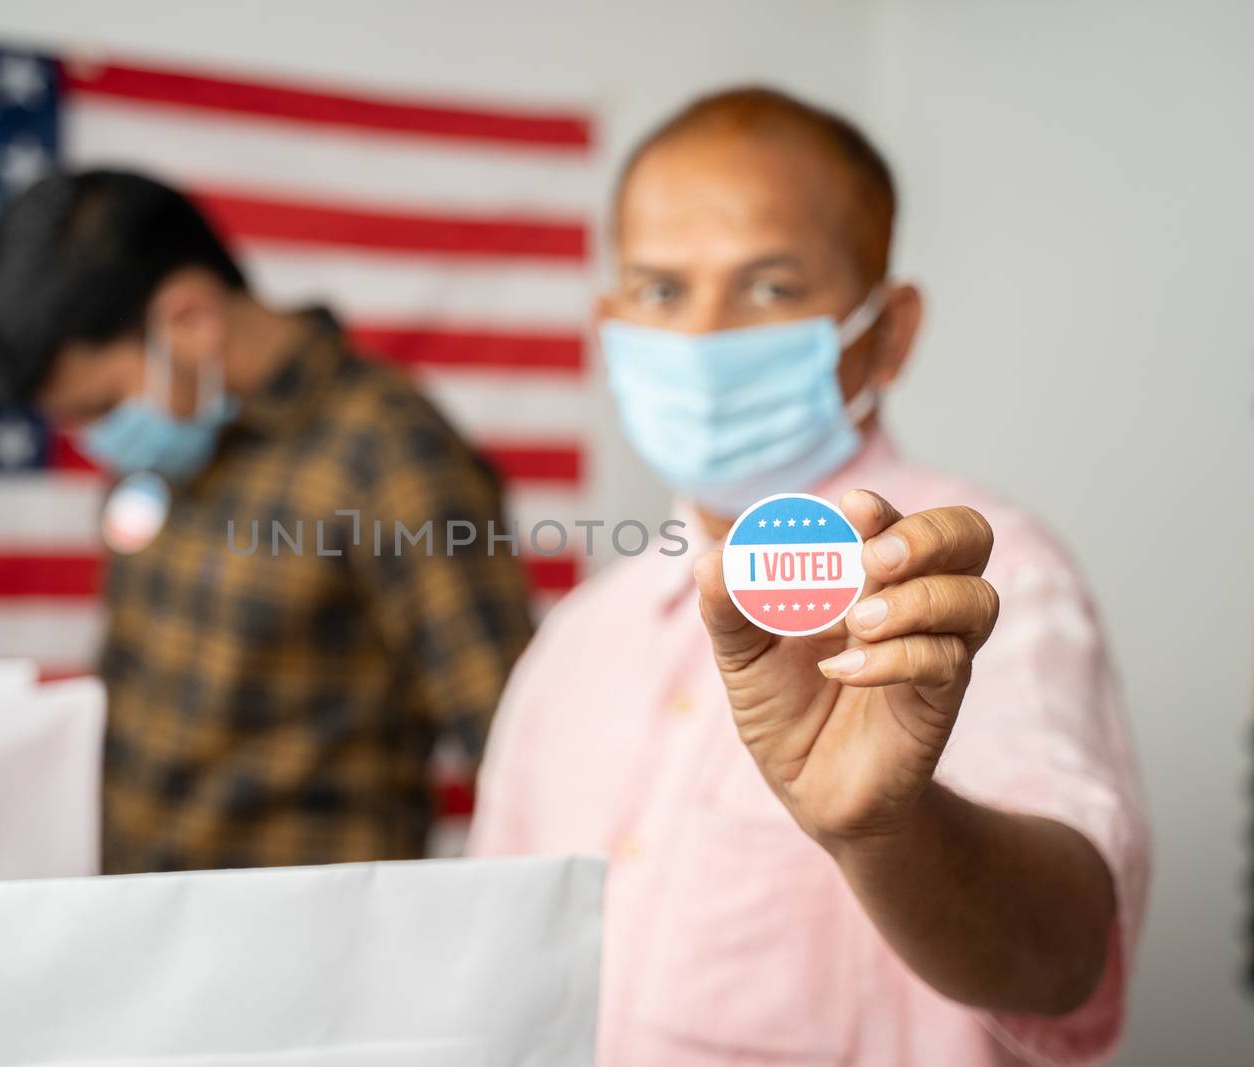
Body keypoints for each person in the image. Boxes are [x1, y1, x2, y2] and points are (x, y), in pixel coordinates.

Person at [468, 87, 1149, 1066]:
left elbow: (1066, 958)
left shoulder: (977, 578)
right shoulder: (579, 634)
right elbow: (500, 967)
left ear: (888, 332)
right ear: (609, 323)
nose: (700, 337)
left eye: (769, 287)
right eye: (661, 291)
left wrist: (889, 829)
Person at [0, 170, 534, 872]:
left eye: (101, 406)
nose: (97, 439)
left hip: (303, 945)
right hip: (131, 911)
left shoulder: (391, 456)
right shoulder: (171, 432)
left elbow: (517, 744)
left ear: (191, 319)